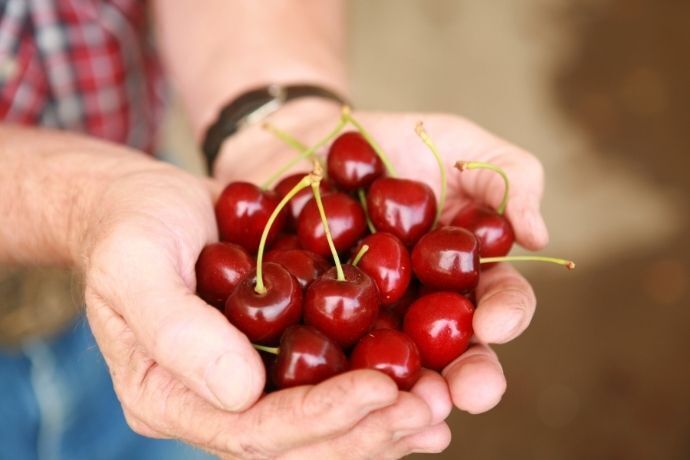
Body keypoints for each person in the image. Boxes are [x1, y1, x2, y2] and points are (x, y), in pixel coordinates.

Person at [0, 1, 549, 459]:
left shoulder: (229, 264)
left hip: (153, 270)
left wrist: (267, 113)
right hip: (122, 222)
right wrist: (84, 203)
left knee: (203, 397)